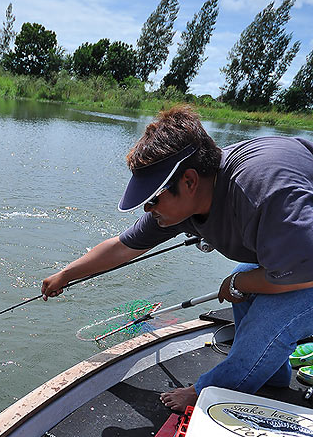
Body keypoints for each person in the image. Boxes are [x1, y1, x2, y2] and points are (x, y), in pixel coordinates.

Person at [41, 106, 313, 413]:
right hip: (300, 254)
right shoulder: (184, 204)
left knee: (268, 315)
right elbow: (122, 247)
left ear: (189, 181)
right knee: (247, 283)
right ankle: (269, 373)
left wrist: (237, 282)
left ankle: (209, 391)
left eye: (152, 199)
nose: (147, 209)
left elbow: (305, 275)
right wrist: (66, 274)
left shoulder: (261, 192)